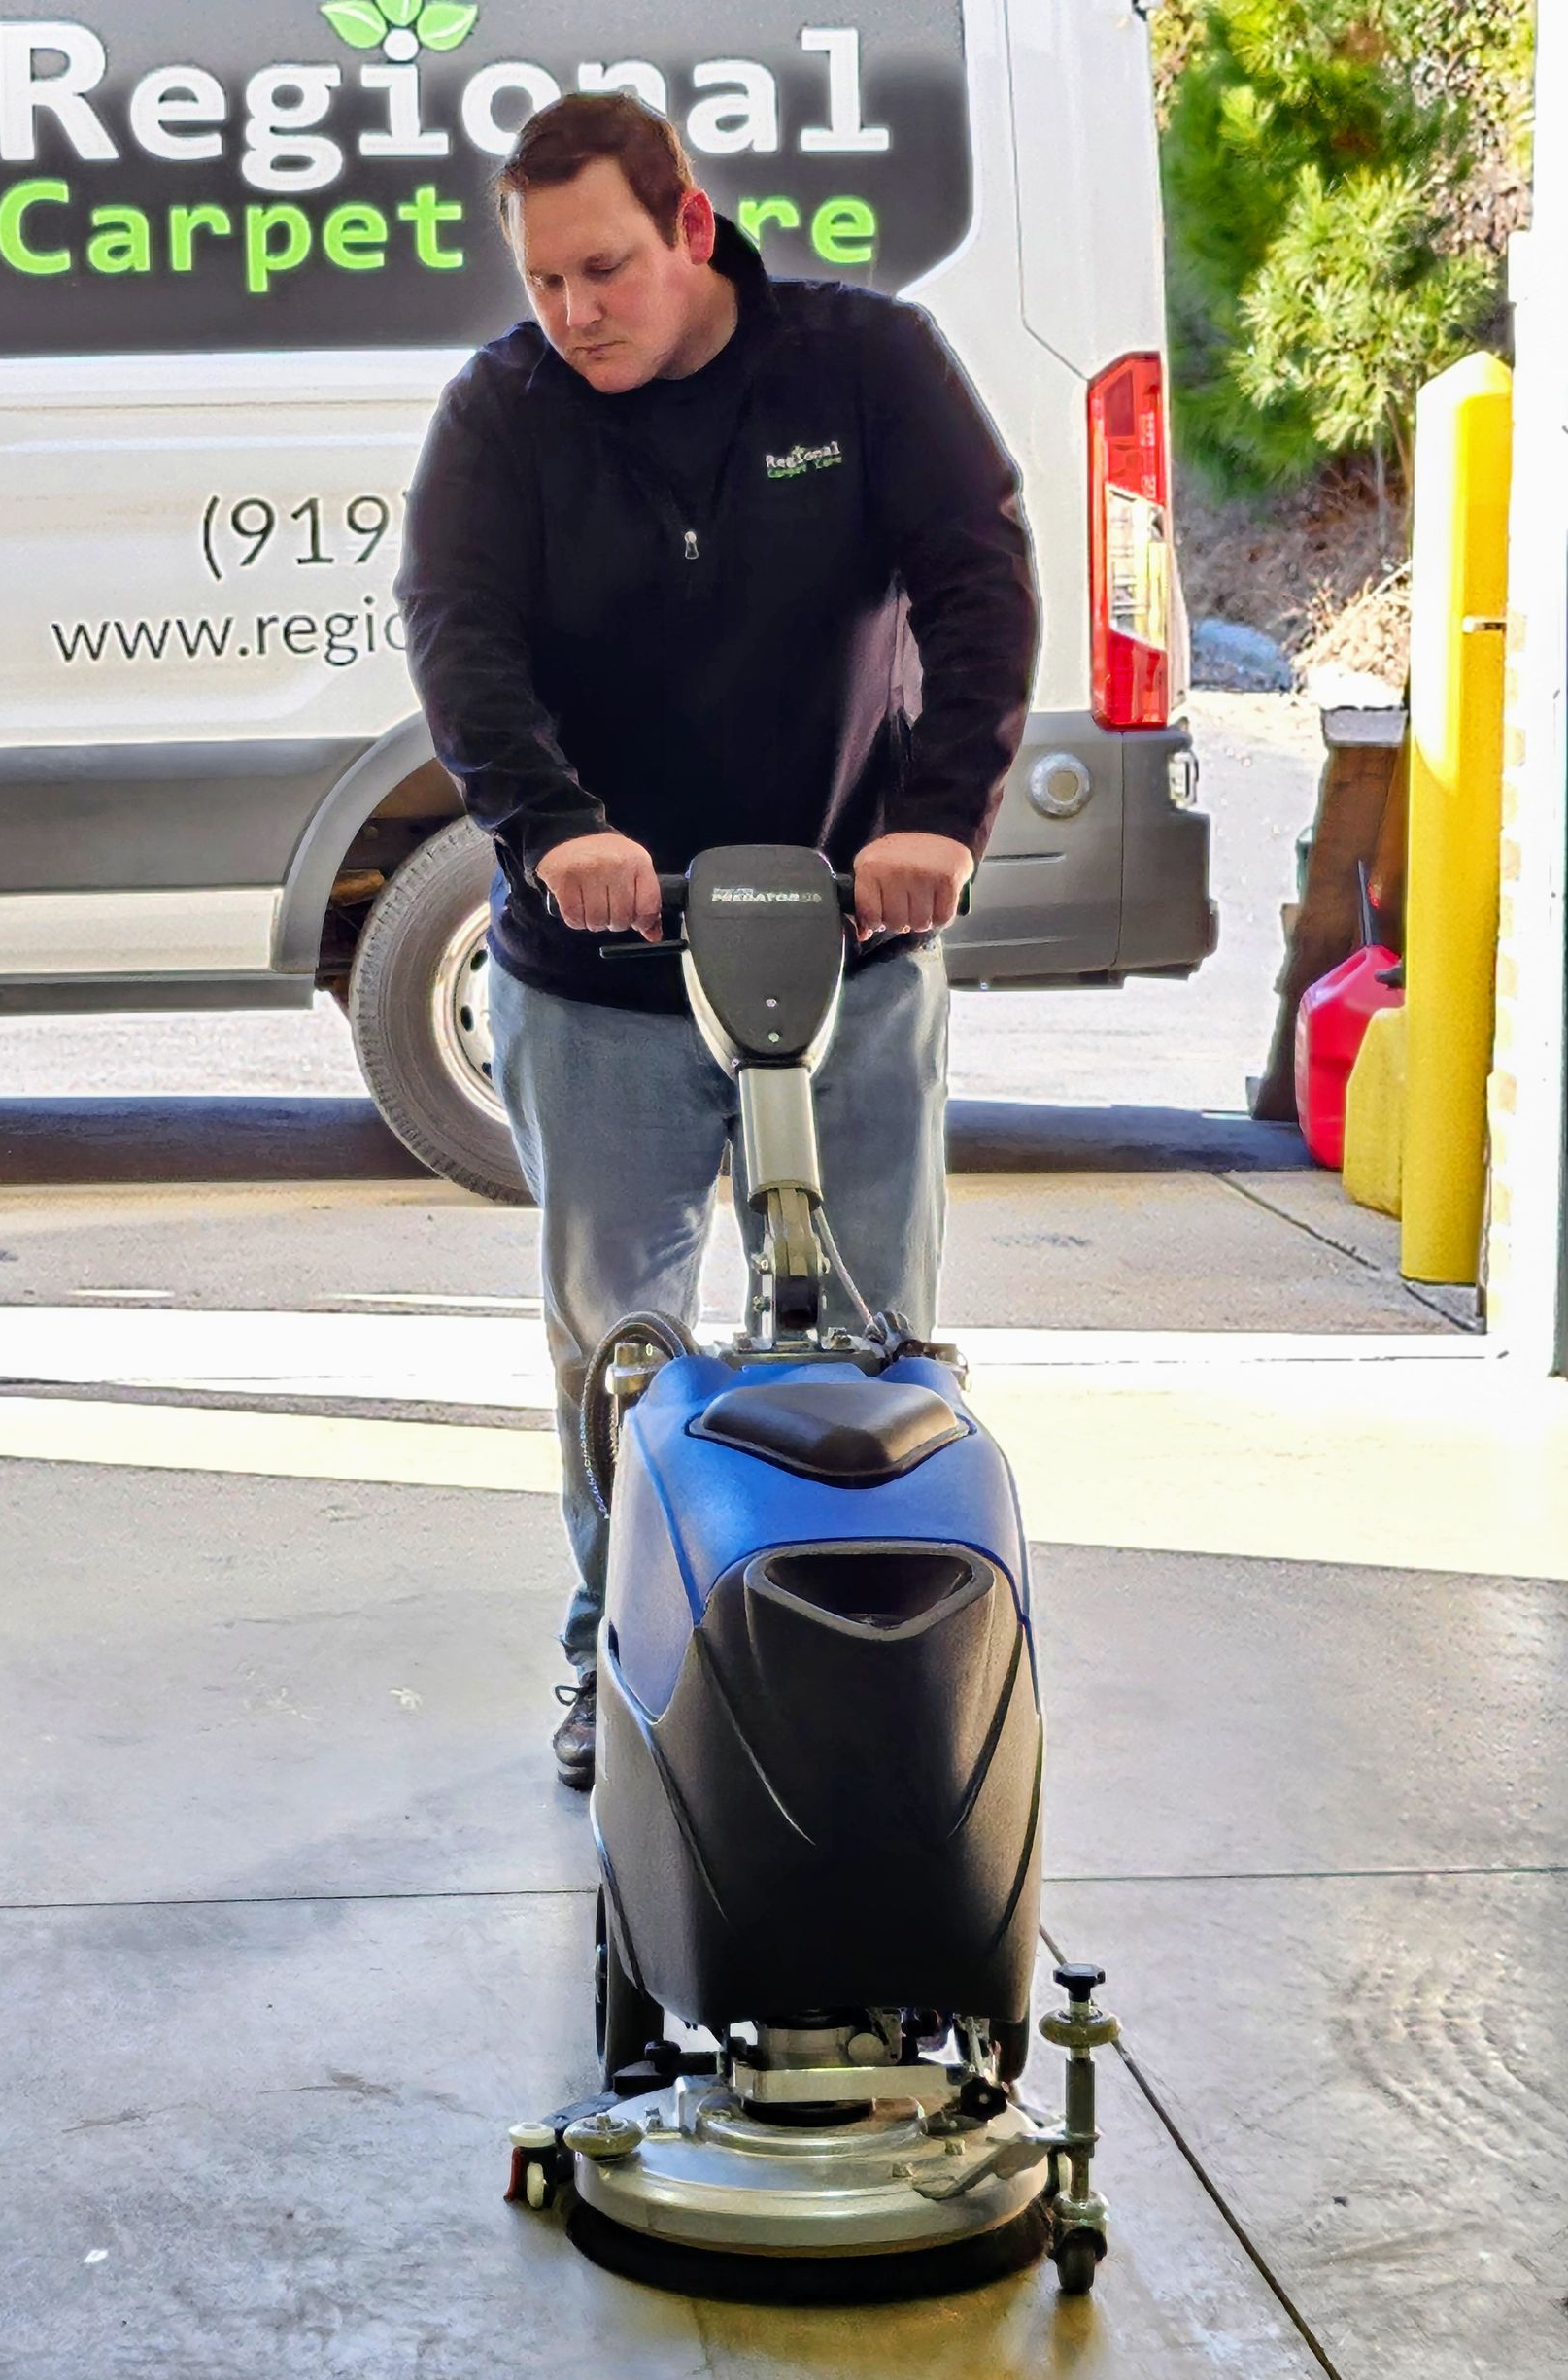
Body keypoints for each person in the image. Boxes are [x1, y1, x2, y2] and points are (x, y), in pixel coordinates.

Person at [396, 94, 1040, 1790]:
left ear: (692, 228)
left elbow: (980, 585)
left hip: (852, 949)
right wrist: (554, 834)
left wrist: (940, 821)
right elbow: (462, 647)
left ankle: (885, 1669)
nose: (572, 312)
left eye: (602, 267)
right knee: (619, 1343)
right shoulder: (502, 415)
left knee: (881, 1337)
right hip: (600, 972)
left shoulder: (865, 366)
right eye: (542, 282)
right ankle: (615, 1663)